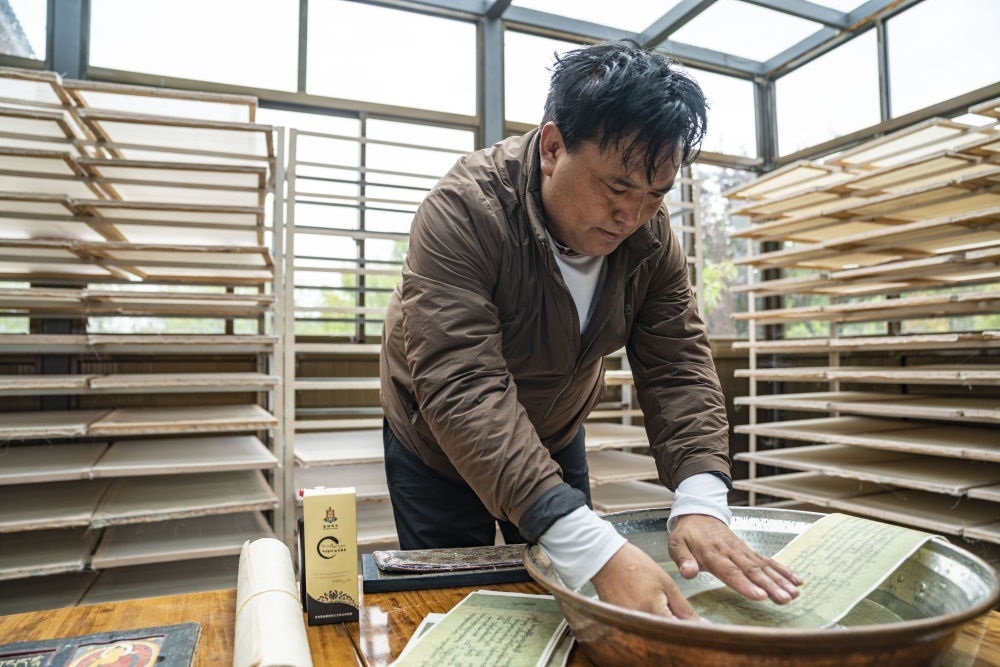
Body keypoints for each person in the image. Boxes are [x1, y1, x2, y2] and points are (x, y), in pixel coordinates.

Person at [379, 38, 801, 619]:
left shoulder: (650, 236)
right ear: (553, 148)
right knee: (456, 603)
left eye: (655, 194)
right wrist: (594, 547)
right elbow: (462, 384)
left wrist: (703, 495)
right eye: (617, 188)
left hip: (556, 430)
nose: (632, 216)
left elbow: (678, 364)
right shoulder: (465, 210)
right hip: (437, 443)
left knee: (571, 594)